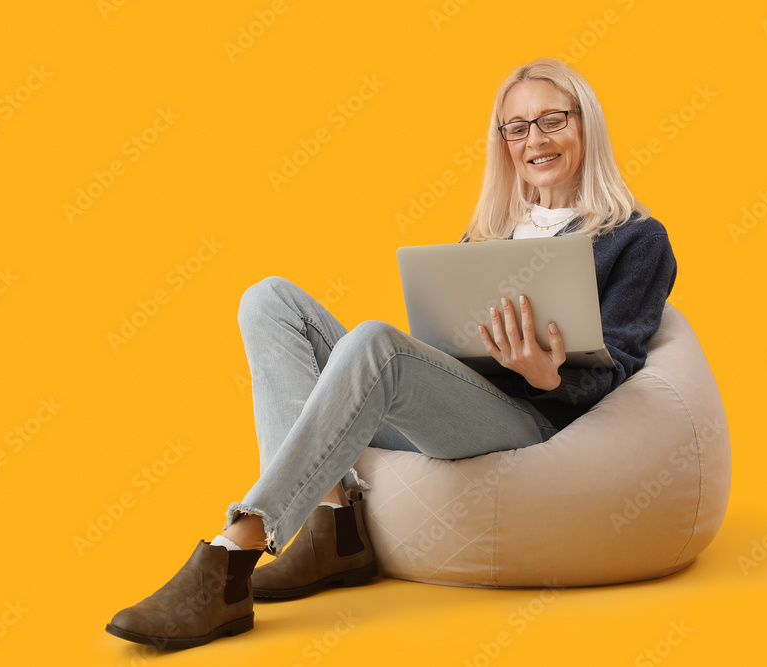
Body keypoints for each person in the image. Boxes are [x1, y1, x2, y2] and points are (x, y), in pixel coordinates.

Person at [105, 57, 677, 650]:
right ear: (503, 141)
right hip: (453, 406)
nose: (535, 139)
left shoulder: (636, 238)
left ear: (586, 126)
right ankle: (333, 527)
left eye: (552, 120)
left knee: (375, 341)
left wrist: (547, 374)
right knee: (269, 299)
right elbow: (445, 344)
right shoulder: (490, 235)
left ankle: (234, 551)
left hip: (531, 422)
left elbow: (620, 370)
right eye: (516, 127)